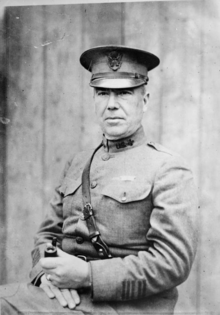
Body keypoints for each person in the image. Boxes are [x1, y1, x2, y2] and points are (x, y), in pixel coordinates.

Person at [0, 45, 198, 314]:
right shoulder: (78, 162)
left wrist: (87, 274)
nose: (111, 104)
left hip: (124, 307)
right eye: (102, 92)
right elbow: (46, 236)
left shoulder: (167, 168)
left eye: (124, 93)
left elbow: (172, 262)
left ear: (146, 100)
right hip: (64, 297)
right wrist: (44, 274)